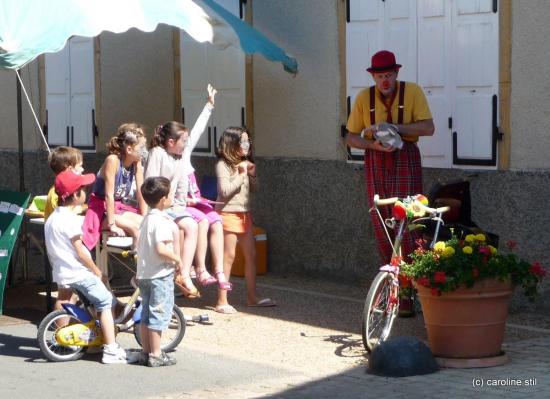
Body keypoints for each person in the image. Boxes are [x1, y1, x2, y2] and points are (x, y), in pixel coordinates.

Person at [346, 50, 434, 315]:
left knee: (407, 220)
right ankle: (390, 289)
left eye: (389, 75)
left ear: (397, 73)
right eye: (380, 76)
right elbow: (351, 137)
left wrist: (394, 127)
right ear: (373, 76)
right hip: (376, 160)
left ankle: (408, 293)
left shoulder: (413, 92)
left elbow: (428, 128)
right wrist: (370, 143)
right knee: (382, 221)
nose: (384, 80)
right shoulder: (364, 98)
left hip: (405, 157)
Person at [44, 170, 138, 364]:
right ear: (76, 194)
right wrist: (96, 271)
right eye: (83, 189)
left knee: (80, 302)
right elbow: (80, 251)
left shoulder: (53, 218)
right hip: (77, 272)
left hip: (62, 271)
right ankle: (111, 349)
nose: (86, 192)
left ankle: (78, 341)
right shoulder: (69, 220)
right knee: (106, 302)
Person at [215, 127, 276, 314]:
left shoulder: (245, 162)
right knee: (229, 257)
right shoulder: (223, 165)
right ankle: (221, 300)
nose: (247, 145)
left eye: (248, 141)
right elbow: (224, 192)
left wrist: (252, 174)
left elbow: (254, 189)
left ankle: (252, 297)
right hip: (228, 214)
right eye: (242, 141)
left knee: (251, 255)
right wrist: (241, 174)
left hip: (245, 215)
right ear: (231, 144)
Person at [182, 84, 231, 292]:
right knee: (201, 221)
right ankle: (200, 268)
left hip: (197, 201)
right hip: (183, 205)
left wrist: (209, 106)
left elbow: (197, 130)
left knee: (217, 221)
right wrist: (185, 200)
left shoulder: (184, 154)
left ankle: (218, 270)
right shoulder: (166, 161)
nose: (187, 142)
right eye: (182, 140)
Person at [145, 122, 200, 298]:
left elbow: (182, 184)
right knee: (176, 230)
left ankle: (184, 274)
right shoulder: (157, 154)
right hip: (157, 206)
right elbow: (150, 183)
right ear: (170, 141)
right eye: (183, 141)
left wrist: (180, 204)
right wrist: (161, 204)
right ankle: (178, 269)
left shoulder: (181, 157)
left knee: (192, 225)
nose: (185, 145)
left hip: (173, 207)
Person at [136, 176, 180, 367]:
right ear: (163, 199)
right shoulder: (161, 221)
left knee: (146, 313)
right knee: (158, 314)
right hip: (159, 275)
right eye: (170, 195)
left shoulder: (147, 219)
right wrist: (177, 258)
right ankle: (156, 353)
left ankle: (146, 352)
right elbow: (161, 248)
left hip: (145, 274)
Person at [82, 123, 147, 250]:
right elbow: (108, 195)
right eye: (142, 147)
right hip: (102, 210)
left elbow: (141, 191)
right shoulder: (113, 160)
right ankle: (138, 262)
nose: (145, 151)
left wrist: (145, 216)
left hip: (119, 208)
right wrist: (112, 224)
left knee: (147, 225)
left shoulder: (136, 163)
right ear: (129, 149)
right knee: (135, 230)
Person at [44, 146, 85, 313]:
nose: (82, 169)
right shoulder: (57, 193)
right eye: (80, 165)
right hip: (63, 250)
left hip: (63, 248)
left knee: (70, 293)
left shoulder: (58, 191)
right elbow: (63, 218)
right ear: (70, 168)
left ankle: (67, 326)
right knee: (65, 295)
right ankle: (59, 332)